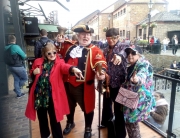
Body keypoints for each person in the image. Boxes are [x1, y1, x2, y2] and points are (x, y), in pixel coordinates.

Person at [25, 42, 83, 138]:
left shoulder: (59, 62)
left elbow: (65, 67)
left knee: (54, 118)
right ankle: (45, 135)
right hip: (40, 96)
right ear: (44, 54)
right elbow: (32, 73)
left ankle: (57, 136)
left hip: (52, 96)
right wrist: (33, 73)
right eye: (49, 53)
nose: (52, 55)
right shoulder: (37, 62)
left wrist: (73, 69)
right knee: (42, 119)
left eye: (54, 52)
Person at [62, 24, 107, 138]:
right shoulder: (71, 48)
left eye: (88, 35)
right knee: (69, 106)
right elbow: (61, 60)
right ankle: (70, 122)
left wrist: (101, 72)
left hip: (84, 86)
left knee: (88, 108)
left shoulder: (95, 50)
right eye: (83, 34)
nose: (86, 37)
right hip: (68, 84)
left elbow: (100, 63)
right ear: (78, 36)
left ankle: (88, 128)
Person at [100, 28, 129, 138]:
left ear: (118, 37)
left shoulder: (124, 46)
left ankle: (121, 134)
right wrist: (104, 73)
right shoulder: (106, 49)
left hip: (120, 84)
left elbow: (125, 52)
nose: (111, 40)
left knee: (119, 110)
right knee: (106, 106)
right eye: (109, 38)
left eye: (114, 38)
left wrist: (120, 56)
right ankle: (107, 125)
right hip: (108, 83)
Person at [123, 45, 156, 138]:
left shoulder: (144, 64)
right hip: (130, 97)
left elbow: (142, 74)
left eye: (133, 53)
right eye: (128, 53)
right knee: (129, 123)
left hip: (138, 100)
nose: (130, 55)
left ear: (140, 55)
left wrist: (137, 79)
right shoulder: (132, 65)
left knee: (132, 123)